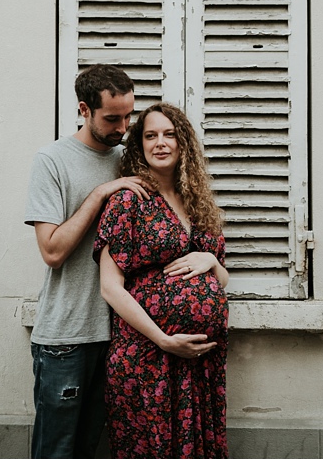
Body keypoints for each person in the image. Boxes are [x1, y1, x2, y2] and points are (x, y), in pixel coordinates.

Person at [25, 64, 149, 458]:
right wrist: (99, 195)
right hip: (66, 337)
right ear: (84, 109)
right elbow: (53, 252)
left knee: (91, 449)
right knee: (56, 451)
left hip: (118, 336)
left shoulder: (129, 159)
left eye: (129, 116)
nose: (123, 127)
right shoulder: (52, 160)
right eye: (113, 118)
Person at [95, 102, 229, 458]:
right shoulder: (129, 200)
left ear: (183, 142)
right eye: (150, 135)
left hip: (198, 362)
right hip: (147, 355)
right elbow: (110, 286)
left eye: (169, 134)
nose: (161, 143)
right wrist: (165, 340)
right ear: (138, 145)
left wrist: (211, 260)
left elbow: (223, 279)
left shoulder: (195, 200)